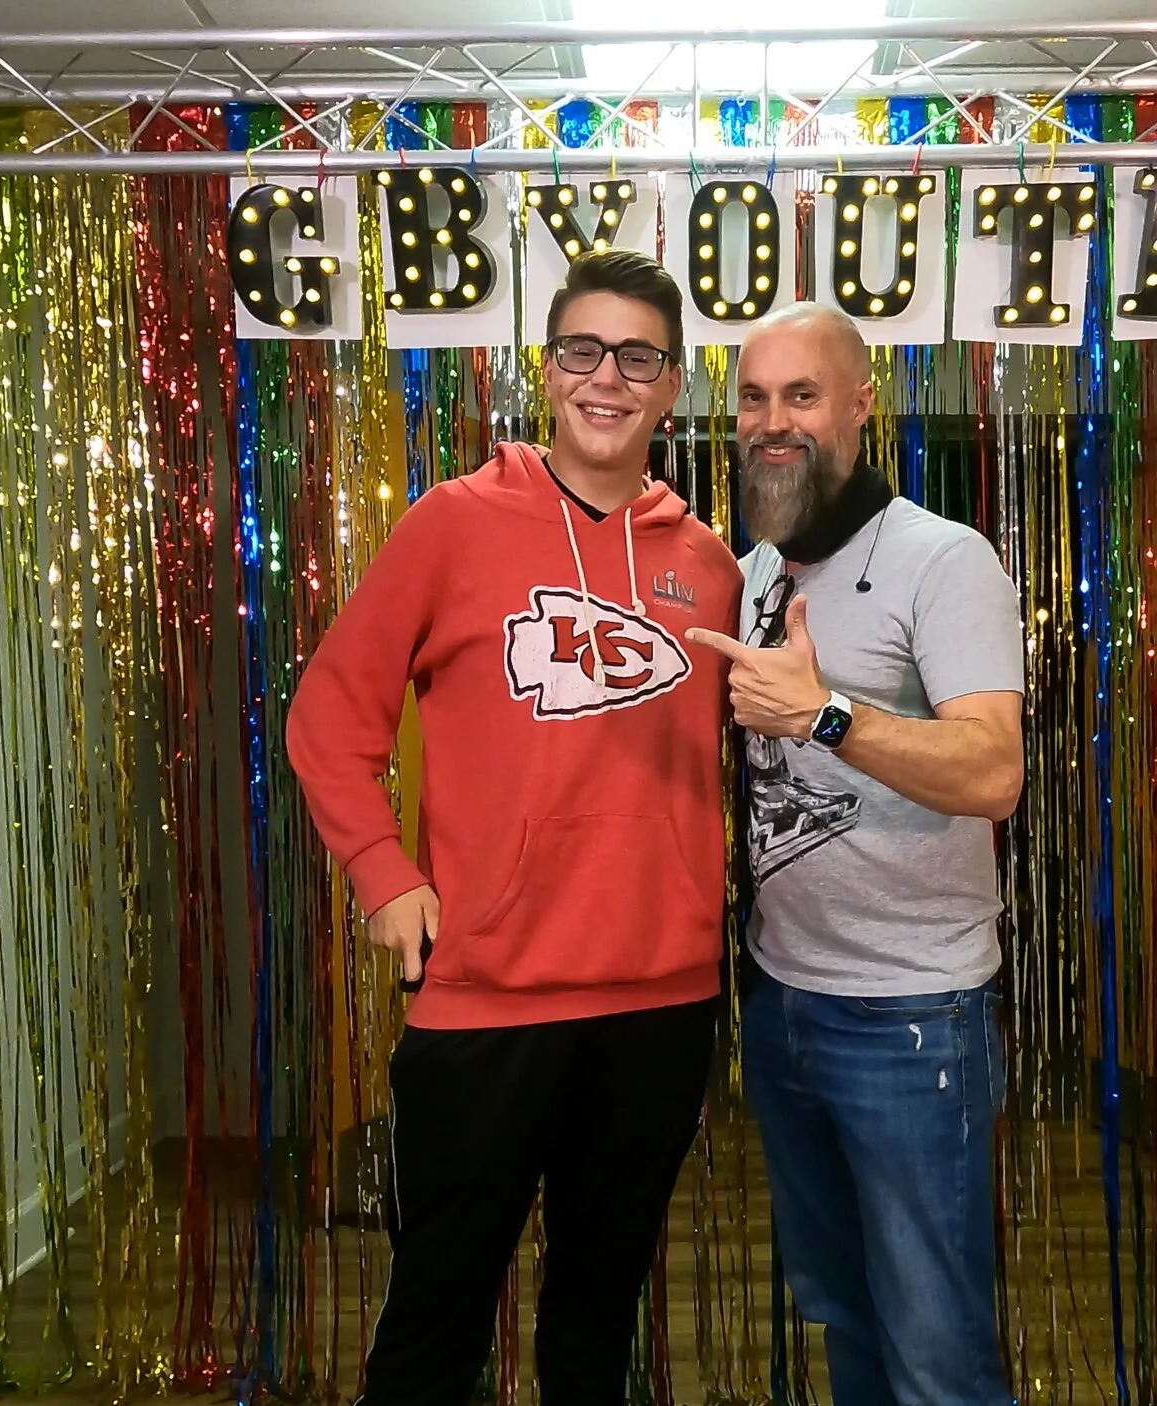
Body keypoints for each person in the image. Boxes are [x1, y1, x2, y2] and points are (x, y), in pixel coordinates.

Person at [286, 248, 743, 1406]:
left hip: (660, 1005)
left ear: (672, 384)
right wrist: (383, 871)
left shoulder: (708, 564)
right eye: (583, 349)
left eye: (637, 356)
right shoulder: (453, 524)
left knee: (595, 1329)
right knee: (433, 1329)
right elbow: (328, 714)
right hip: (486, 998)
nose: (607, 377)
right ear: (546, 368)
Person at [683, 302, 1026, 1406]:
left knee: (937, 1351)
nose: (772, 421)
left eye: (803, 394)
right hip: (785, 999)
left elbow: (994, 772)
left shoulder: (944, 559)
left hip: (912, 1015)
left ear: (862, 405)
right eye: (752, 397)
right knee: (844, 1312)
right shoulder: (752, 573)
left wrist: (825, 713)